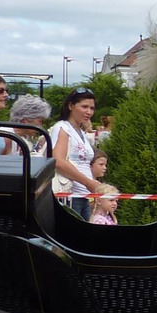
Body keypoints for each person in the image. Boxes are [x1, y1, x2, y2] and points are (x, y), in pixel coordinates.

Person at [49, 88, 106, 217]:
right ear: (70, 106)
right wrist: (88, 182)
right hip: (69, 196)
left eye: (92, 108)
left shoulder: (80, 132)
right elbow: (59, 161)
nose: (89, 112)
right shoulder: (63, 128)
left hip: (83, 196)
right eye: (84, 107)